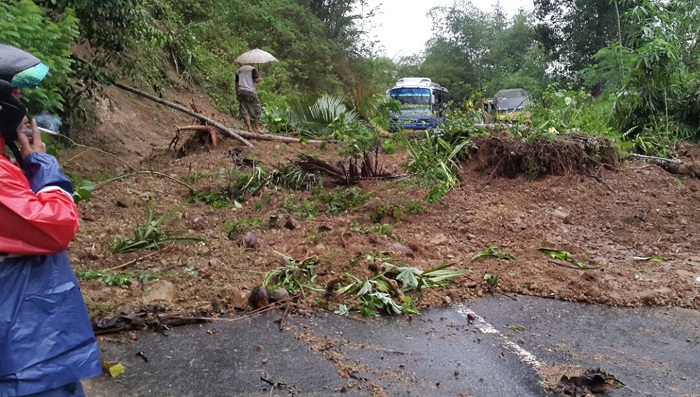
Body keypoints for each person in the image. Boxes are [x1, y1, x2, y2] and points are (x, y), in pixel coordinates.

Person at [0, 44, 102, 397]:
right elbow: (55, 224)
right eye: (14, 93)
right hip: (23, 349)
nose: (20, 101)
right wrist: (45, 166)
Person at [235, 62, 262, 133]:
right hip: (250, 91)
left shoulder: (239, 70)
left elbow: (236, 83)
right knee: (256, 109)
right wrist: (259, 77)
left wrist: (237, 93)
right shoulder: (252, 69)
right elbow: (256, 80)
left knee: (244, 109)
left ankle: (249, 127)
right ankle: (256, 127)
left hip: (241, 91)